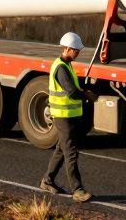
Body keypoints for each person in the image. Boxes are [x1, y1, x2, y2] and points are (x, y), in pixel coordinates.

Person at [40, 31, 98, 202]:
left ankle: (47, 180)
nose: (77, 52)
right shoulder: (61, 68)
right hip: (62, 117)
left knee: (61, 149)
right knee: (70, 152)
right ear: (66, 49)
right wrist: (87, 95)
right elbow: (71, 92)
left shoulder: (66, 65)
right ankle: (77, 190)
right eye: (75, 50)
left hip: (68, 115)